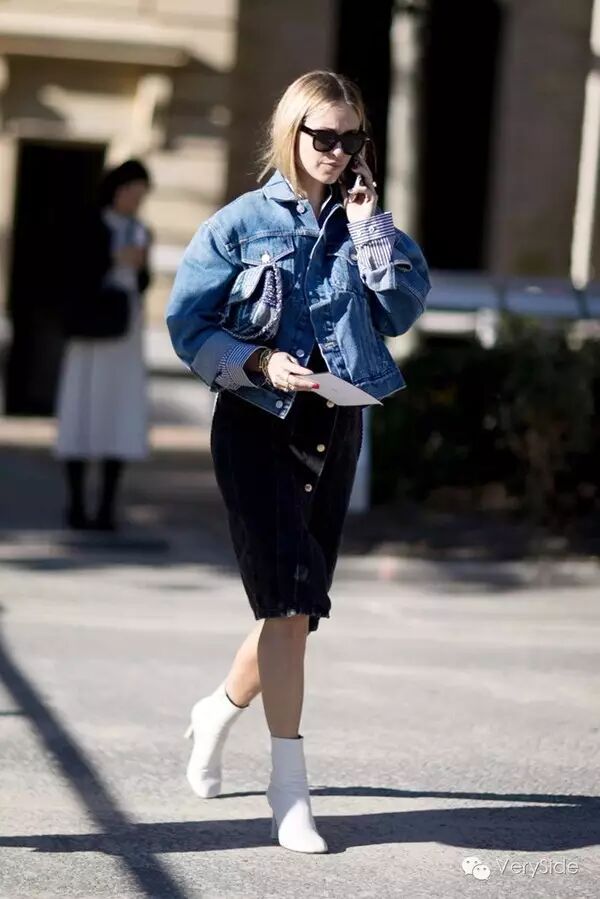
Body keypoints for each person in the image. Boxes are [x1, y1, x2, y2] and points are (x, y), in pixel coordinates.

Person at [166, 71, 430, 854]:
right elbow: (188, 326)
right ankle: (289, 792)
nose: (337, 151)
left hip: (336, 423)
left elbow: (401, 311)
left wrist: (371, 229)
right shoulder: (238, 224)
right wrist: (257, 362)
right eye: (324, 136)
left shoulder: (365, 225)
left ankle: (216, 710)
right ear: (292, 131)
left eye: (352, 138)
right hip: (256, 424)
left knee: (298, 607)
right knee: (286, 604)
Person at [54, 159, 152, 531]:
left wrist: (138, 266)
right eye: (132, 193)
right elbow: (71, 274)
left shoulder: (140, 230)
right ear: (116, 190)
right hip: (89, 333)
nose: (135, 202)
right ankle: (76, 504)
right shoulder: (88, 225)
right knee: (81, 410)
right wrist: (111, 258)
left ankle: (107, 506)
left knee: (118, 412)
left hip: (124, 333)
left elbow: (141, 283)